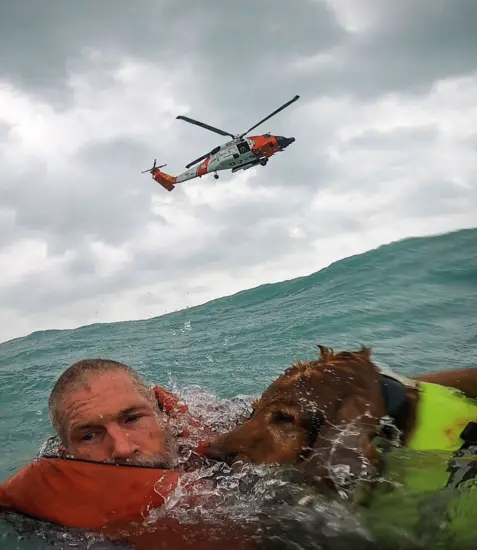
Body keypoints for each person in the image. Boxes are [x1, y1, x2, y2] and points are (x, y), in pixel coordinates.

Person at [0, 358, 259, 549]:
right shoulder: (46, 518)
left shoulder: (228, 440)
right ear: (66, 452)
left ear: (162, 414)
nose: (122, 449)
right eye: (89, 435)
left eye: (132, 419)